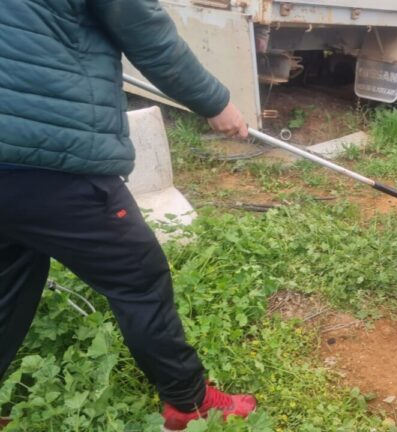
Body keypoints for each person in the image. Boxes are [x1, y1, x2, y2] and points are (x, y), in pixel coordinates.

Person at [1, 1, 255, 430]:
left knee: (7, 283)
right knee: (139, 277)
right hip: (52, 157)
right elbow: (148, 33)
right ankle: (188, 402)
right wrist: (217, 103)